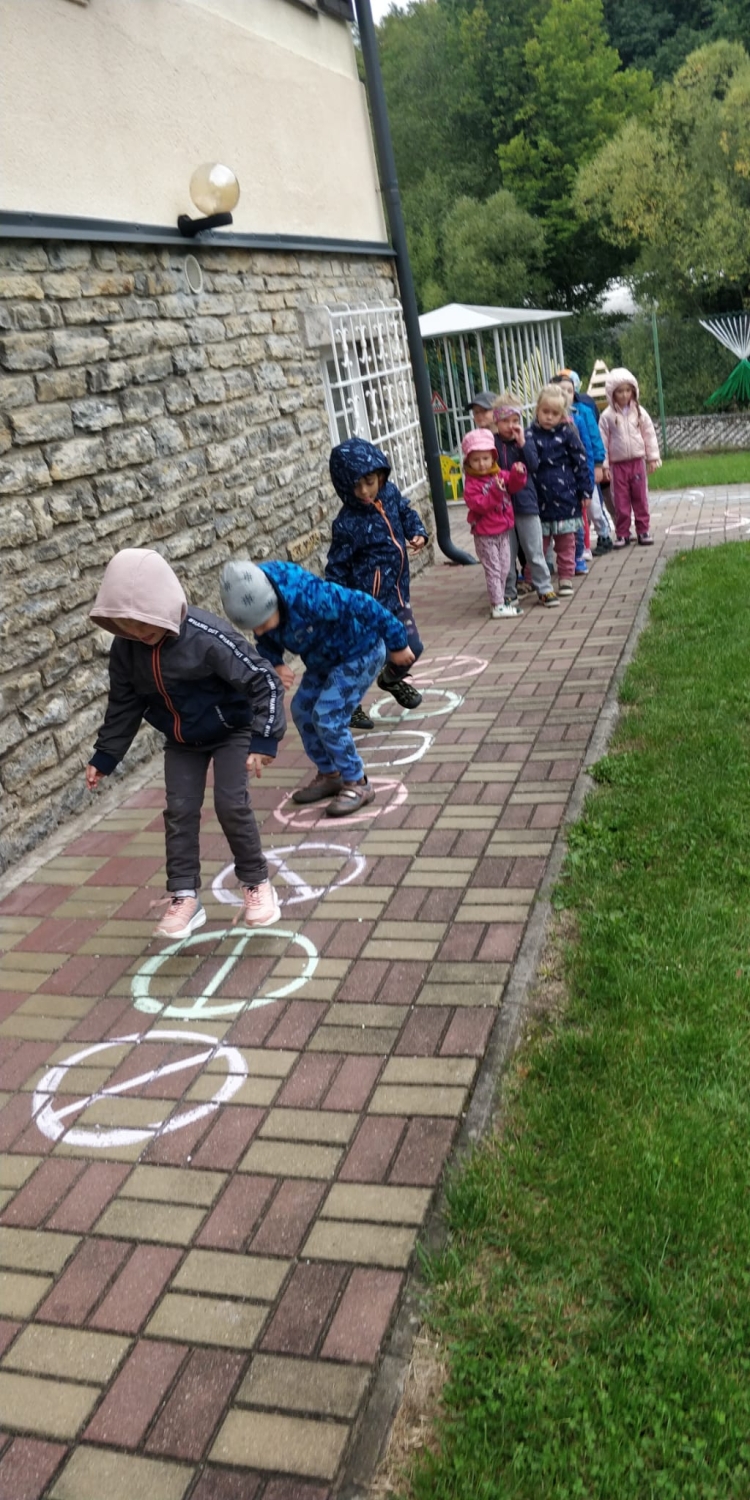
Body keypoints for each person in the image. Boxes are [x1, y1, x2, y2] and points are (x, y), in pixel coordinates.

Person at [86, 548, 285, 939]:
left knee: (230, 804)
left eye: (144, 622)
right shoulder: (126, 650)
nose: (139, 632)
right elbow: (124, 704)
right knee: (179, 811)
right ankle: (185, 897)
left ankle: (257, 883)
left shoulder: (207, 637)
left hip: (233, 731)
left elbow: (264, 680)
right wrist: (105, 756)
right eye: (127, 625)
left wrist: (264, 738)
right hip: (182, 741)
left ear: (164, 604)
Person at [219, 559, 414, 816]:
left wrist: (398, 643)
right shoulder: (262, 612)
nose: (260, 630)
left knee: (328, 716)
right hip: (322, 660)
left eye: (263, 623)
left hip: (360, 652)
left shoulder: (311, 596)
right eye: (254, 627)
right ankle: (331, 774)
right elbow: (265, 640)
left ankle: (358, 782)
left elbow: (364, 603)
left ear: (274, 602)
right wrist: (275, 662)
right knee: (301, 710)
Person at [325, 437, 427, 732]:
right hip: (366, 606)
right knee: (362, 660)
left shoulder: (390, 494)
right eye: (355, 486)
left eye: (369, 482)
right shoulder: (347, 523)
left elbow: (406, 513)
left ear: (381, 474)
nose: (364, 491)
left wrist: (417, 531)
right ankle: (350, 706)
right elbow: (336, 566)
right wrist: (337, 603)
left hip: (397, 596)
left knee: (412, 647)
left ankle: (391, 679)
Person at [492, 397, 558, 608]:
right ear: (496, 422)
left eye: (515, 420)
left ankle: (544, 588)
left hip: (526, 503)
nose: (511, 426)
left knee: (534, 549)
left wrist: (522, 443)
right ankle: (509, 592)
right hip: (501, 506)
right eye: (505, 421)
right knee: (506, 554)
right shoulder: (492, 443)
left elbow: (534, 464)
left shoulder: (525, 440)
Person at [529, 386, 591, 597]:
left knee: (566, 543)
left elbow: (580, 462)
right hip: (539, 499)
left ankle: (565, 577)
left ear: (562, 414)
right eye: (545, 411)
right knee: (538, 544)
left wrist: (585, 491)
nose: (549, 417)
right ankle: (533, 579)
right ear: (537, 410)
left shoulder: (568, 433)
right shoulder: (530, 434)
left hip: (566, 497)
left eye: (555, 413)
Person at [461, 428, 527, 618]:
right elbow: (480, 505)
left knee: (505, 567)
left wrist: (518, 473)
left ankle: (500, 600)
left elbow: (513, 485)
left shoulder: (499, 474)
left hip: (503, 531)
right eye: (476, 460)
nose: (482, 464)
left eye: (485, 458)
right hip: (485, 534)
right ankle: (497, 605)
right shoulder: (471, 484)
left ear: (493, 458)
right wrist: (496, 492)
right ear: (468, 461)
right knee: (494, 569)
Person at [552, 373, 613, 558]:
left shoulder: (582, 413)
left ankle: (604, 534)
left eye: (569, 391)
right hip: (566, 475)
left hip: (586, 470)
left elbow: (593, 440)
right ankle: (579, 545)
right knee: (577, 511)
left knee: (594, 508)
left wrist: (598, 465)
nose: (566, 394)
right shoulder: (550, 417)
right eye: (561, 391)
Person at [598, 366, 660, 547]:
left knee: (640, 498)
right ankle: (622, 533)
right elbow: (602, 442)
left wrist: (652, 457)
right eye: (620, 391)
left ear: (633, 391)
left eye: (628, 390)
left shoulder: (639, 412)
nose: (624, 395)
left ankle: (643, 530)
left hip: (637, 462)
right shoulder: (607, 416)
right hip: (618, 465)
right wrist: (604, 466)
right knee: (620, 500)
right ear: (612, 393)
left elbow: (649, 434)